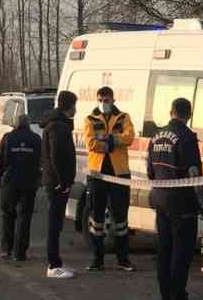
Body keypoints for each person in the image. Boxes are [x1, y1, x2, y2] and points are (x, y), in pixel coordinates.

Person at [149, 97, 203, 300]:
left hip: (160, 197)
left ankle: (165, 298)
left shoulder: (156, 135)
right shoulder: (186, 137)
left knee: (164, 250)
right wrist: (202, 202)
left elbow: (150, 171)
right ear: (188, 114)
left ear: (171, 111)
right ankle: (178, 299)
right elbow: (193, 173)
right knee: (181, 253)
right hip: (181, 202)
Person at [85, 86, 136, 273]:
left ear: (113, 100)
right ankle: (97, 259)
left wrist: (109, 140)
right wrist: (113, 141)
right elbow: (91, 143)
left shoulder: (123, 117)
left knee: (120, 219)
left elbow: (129, 137)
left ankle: (123, 259)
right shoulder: (90, 118)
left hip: (119, 173)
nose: (103, 103)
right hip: (97, 174)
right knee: (96, 219)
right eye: (100, 99)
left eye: (106, 99)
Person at [40, 91, 78, 279]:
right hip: (56, 183)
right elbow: (56, 155)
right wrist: (62, 181)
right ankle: (53, 265)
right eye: (74, 105)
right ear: (69, 106)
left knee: (58, 223)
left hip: (56, 181)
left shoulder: (58, 124)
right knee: (54, 224)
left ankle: (57, 262)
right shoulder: (57, 127)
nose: (75, 110)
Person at [0, 113, 42, 261]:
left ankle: (6, 249)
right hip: (29, 182)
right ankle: (20, 252)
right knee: (25, 217)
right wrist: (38, 179)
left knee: (8, 215)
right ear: (28, 124)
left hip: (10, 182)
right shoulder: (36, 139)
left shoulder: (8, 138)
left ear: (15, 124)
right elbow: (41, 161)